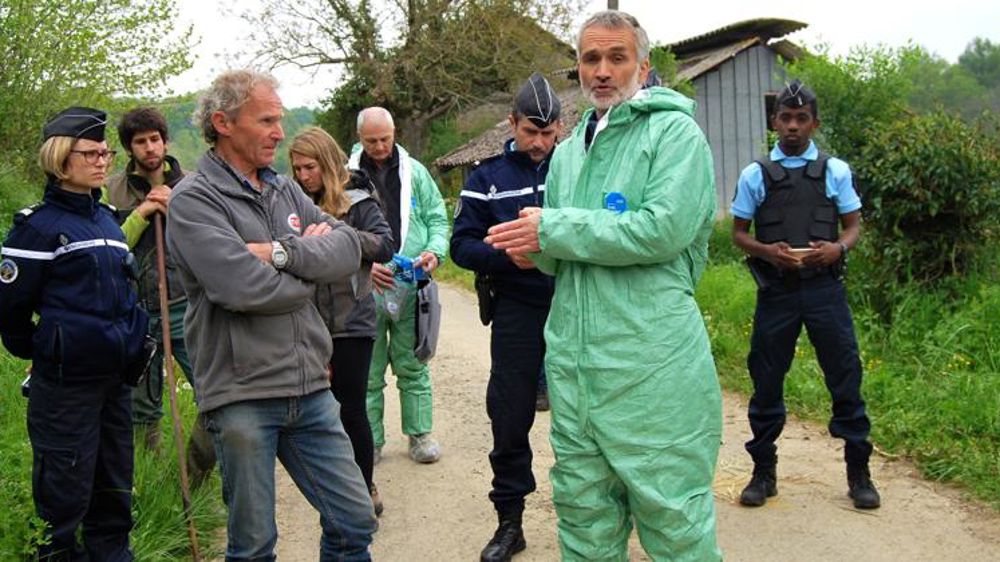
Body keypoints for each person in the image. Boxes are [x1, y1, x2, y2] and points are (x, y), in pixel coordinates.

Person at [486, 10, 723, 560]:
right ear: (578, 67)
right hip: (575, 367)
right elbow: (569, 254)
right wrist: (536, 252)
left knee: (672, 514)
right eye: (591, 58)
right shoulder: (569, 153)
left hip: (651, 362)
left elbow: (663, 229)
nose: (602, 70)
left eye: (616, 57)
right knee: (584, 514)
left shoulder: (674, 134)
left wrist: (554, 229)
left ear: (642, 64)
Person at [166, 70, 376, 560]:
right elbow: (241, 287)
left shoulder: (283, 189)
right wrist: (308, 265)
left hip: (309, 386)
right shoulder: (193, 200)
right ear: (223, 122)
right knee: (254, 544)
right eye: (267, 120)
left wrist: (277, 254)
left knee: (354, 521)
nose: (280, 133)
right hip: (242, 395)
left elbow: (347, 249)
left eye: (279, 120)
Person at [0, 107, 150, 560]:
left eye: (105, 152)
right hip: (65, 391)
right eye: (92, 153)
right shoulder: (37, 228)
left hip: (113, 386)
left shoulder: (106, 222)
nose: (103, 160)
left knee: (113, 492)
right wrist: (49, 351)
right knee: (63, 499)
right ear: (62, 158)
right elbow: (9, 310)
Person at [730, 79, 881, 510]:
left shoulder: (834, 170)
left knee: (845, 375)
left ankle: (859, 473)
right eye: (785, 118)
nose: (792, 126)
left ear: (814, 123)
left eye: (801, 119)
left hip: (824, 292)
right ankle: (763, 472)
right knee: (766, 379)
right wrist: (768, 251)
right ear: (774, 121)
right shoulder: (755, 175)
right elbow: (739, 234)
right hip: (777, 293)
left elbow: (852, 226)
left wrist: (838, 248)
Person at [450, 72, 559, 562]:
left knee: (593, 413)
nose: (539, 143)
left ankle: (604, 515)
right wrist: (504, 258)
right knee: (510, 415)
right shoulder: (486, 177)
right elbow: (461, 245)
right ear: (511, 124)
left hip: (576, 306)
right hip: (516, 307)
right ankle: (510, 523)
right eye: (530, 132)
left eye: (548, 132)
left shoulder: (574, 171)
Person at [104, 106, 216, 485]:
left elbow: (209, 240)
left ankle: (192, 479)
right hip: (136, 310)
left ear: (165, 141)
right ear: (129, 148)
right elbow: (110, 247)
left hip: (188, 307)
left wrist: (175, 209)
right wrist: (144, 211)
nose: (150, 148)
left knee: (214, 396)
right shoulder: (113, 189)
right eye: (140, 141)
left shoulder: (193, 184)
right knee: (142, 409)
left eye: (155, 139)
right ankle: (152, 486)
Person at [290, 126, 395, 516]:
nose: (303, 176)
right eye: (297, 168)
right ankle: (337, 491)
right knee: (319, 409)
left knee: (351, 406)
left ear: (328, 162)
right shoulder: (292, 201)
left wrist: (339, 236)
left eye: (310, 167)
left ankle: (364, 488)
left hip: (353, 318)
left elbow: (385, 244)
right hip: (306, 320)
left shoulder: (357, 198)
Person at [349, 107, 449, 464]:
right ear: (360, 138)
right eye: (371, 140)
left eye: (384, 139)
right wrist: (362, 264)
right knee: (367, 370)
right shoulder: (345, 178)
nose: (378, 146)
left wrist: (435, 252)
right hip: (363, 288)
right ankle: (371, 441)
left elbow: (438, 217)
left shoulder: (417, 173)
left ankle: (420, 434)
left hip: (412, 282)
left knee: (413, 363)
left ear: (394, 133)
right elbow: (335, 229)